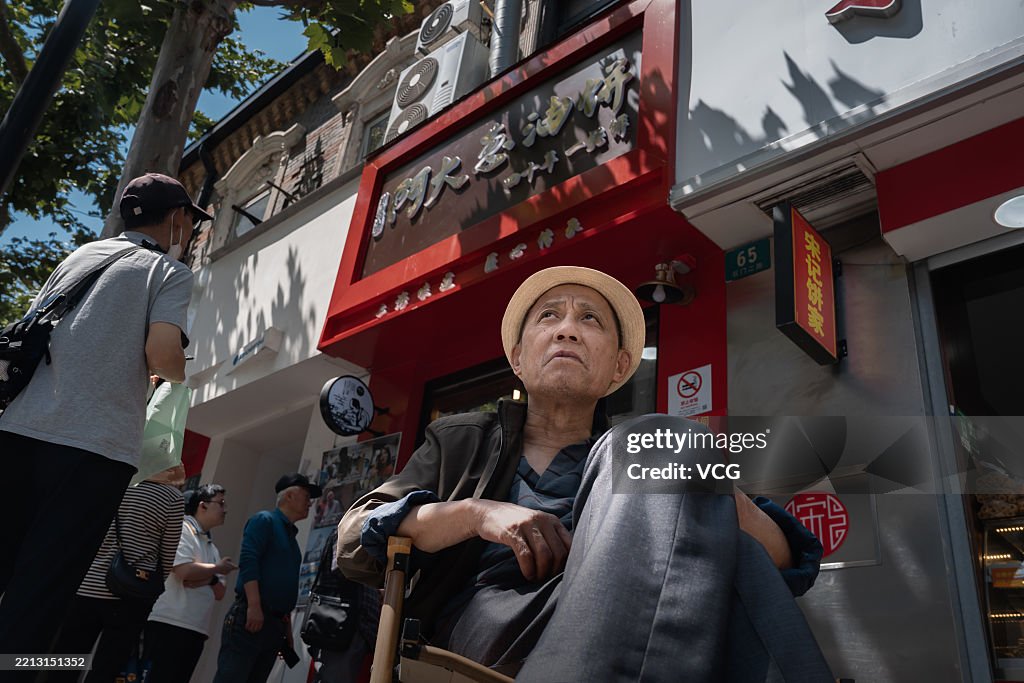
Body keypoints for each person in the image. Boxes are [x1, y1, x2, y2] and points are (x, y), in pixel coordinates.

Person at [337, 266, 832, 681]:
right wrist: (477, 514)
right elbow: (355, 537)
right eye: (549, 316)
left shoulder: (640, 456)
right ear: (518, 359)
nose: (567, 330)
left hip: (630, 618)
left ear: (619, 367)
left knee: (737, 546)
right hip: (487, 633)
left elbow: (789, 561)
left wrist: (708, 491)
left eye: (589, 319)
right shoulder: (461, 439)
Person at [0, 172, 210, 658]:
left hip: (20, 430)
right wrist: (175, 370)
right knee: (41, 591)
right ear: (175, 218)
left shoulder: (81, 256)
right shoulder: (169, 271)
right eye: (188, 220)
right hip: (93, 450)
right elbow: (163, 355)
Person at [50, 464, 186, 682]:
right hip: (133, 592)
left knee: (67, 659)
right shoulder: (173, 497)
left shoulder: (117, 482)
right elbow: (168, 553)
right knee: (107, 666)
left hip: (88, 585)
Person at [213, 473, 322, 683]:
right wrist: (254, 606)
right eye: (306, 495)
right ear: (289, 496)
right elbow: (248, 561)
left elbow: (285, 585)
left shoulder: (292, 540)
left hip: (274, 626)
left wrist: (286, 628)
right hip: (251, 617)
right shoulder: (264, 520)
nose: (310, 502)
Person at [145, 484, 238, 683]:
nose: (225, 509)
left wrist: (208, 576)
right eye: (221, 503)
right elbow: (184, 572)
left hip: (196, 629)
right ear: (202, 506)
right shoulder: (182, 530)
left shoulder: (212, 547)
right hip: (169, 623)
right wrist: (216, 569)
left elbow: (220, 592)